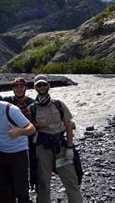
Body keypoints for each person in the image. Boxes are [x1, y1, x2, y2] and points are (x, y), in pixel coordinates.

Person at [0, 84, 36, 203]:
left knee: (21, 189)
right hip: (0, 152)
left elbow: (32, 129)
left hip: (18, 152)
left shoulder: (10, 109)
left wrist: (19, 131)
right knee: (2, 188)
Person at [31, 74, 83, 203]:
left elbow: (68, 126)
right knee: (43, 184)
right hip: (43, 149)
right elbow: (30, 129)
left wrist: (70, 147)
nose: (42, 87)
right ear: (35, 87)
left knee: (71, 182)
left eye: (44, 84)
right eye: (39, 85)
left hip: (61, 148)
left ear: (49, 85)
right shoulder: (32, 108)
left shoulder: (59, 105)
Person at [0, 77, 37, 194]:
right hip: (13, 140)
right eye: (16, 87)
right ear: (13, 89)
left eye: (21, 86)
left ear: (25, 88)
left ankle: (32, 186)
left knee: (33, 166)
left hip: (31, 139)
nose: (19, 89)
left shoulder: (32, 102)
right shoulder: (7, 101)